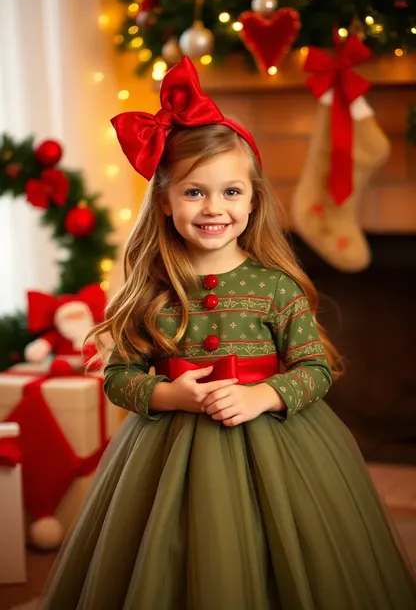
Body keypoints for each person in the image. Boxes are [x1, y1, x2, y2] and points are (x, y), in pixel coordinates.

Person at [41, 57, 416, 610]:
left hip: (281, 444)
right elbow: (119, 376)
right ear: (165, 202)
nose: (214, 207)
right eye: (194, 193)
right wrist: (169, 394)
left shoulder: (276, 288)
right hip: (167, 450)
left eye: (231, 192)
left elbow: (315, 369)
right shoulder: (152, 291)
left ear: (253, 198)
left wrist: (263, 394)